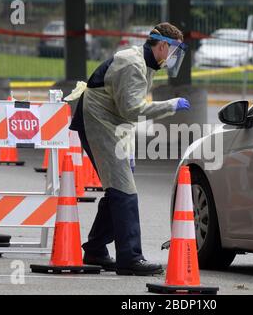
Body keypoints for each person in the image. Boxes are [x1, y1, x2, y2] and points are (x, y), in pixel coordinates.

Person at [68, 22, 191, 276]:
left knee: (118, 188)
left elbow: (125, 111)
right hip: (97, 122)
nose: (173, 59)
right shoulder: (133, 65)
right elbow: (132, 110)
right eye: (174, 52)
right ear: (162, 46)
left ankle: (95, 249)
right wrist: (170, 105)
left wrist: (129, 146)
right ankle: (130, 258)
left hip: (111, 123)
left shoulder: (145, 64)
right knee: (124, 191)